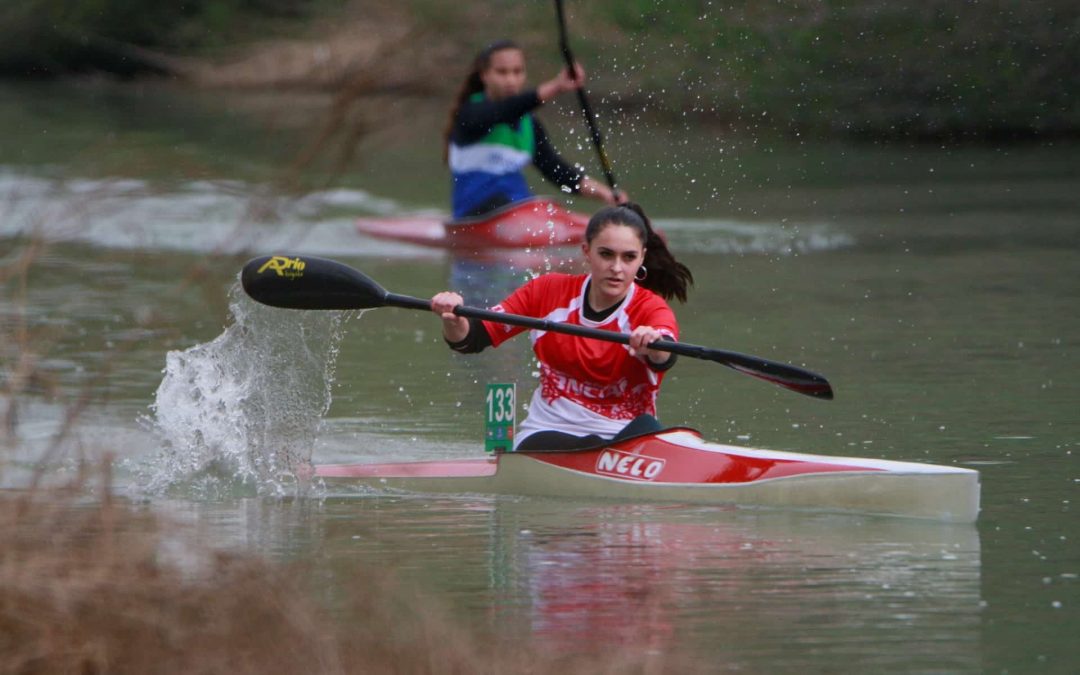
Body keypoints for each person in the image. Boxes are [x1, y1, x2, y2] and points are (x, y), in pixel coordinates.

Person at [431, 203, 693, 451]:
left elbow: (665, 356)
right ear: (586, 251)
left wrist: (653, 345)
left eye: (628, 257)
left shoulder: (651, 309)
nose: (616, 268)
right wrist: (454, 320)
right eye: (606, 254)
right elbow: (473, 339)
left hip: (624, 437)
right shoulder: (547, 291)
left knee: (651, 429)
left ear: (641, 258)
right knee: (624, 439)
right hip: (547, 434)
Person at [444, 39, 625, 219]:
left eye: (517, 72)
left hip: (521, 209)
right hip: (476, 213)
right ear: (484, 75)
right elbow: (503, 111)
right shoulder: (470, 114)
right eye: (502, 72)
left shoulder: (530, 125)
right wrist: (556, 87)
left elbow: (558, 172)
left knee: (550, 208)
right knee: (508, 204)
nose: (511, 80)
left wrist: (605, 193)